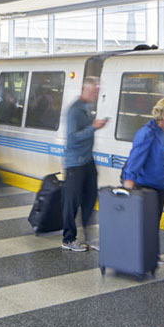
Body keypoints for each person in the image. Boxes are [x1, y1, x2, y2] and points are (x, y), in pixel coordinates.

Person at [122, 97, 164, 266]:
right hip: (145, 186)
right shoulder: (147, 132)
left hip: (160, 186)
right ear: (162, 114)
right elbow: (135, 158)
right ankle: (137, 255)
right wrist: (129, 181)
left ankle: (151, 254)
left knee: (153, 223)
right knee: (143, 224)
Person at [62, 76, 107, 252]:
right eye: (94, 91)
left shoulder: (87, 107)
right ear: (85, 90)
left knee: (90, 198)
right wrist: (93, 127)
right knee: (72, 201)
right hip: (75, 162)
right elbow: (72, 139)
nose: (97, 94)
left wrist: (95, 126)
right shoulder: (74, 110)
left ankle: (89, 237)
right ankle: (68, 239)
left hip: (88, 160)